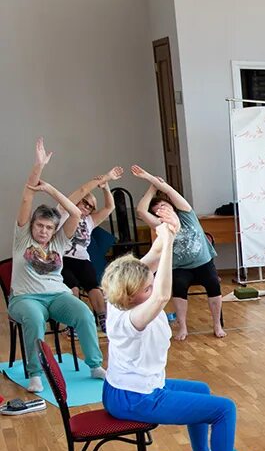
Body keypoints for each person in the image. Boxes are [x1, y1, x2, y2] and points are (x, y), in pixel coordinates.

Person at [101, 226, 264, 451]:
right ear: (131, 295)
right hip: (136, 398)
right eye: (146, 288)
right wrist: (167, 246)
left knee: (201, 389)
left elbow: (149, 262)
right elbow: (163, 294)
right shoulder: (131, 319)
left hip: (123, 389)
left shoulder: (117, 297)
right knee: (225, 409)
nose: (151, 288)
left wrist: (165, 237)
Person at [8, 138, 105, 393]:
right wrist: (38, 167)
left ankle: (95, 365)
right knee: (32, 318)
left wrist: (50, 189)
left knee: (84, 313)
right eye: (39, 225)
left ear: (54, 230)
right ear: (32, 226)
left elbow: (74, 213)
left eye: (48, 227)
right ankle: (35, 374)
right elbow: (27, 196)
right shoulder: (22, 238)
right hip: (25, 298)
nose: (43, 230)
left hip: (57, 296)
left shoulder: (60, 241)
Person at [132, 165, 223, 340]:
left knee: (213, 284)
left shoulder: (187, 214)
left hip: (203, 263)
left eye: (165, 206)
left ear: (172, 206)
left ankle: (217, 325)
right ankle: (183, 327)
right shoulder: (160, 225)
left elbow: (169, 190)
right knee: (179, 288)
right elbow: (141, 211)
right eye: (158, 210)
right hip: (181, 267)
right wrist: (152, 187)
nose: (163, 210)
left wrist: (150, 178)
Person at [61, 166, 124, 327]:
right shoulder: (64, 212)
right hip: (62, 258)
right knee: (72, 286)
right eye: (85, 203)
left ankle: (103, 318)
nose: (86, 208)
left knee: (92, 284)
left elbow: (110, 207)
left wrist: (106, 187)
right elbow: (82, 190)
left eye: (90, 207)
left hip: (81, 259)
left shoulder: (90, 221)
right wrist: (106, 177)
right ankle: (73, 322)